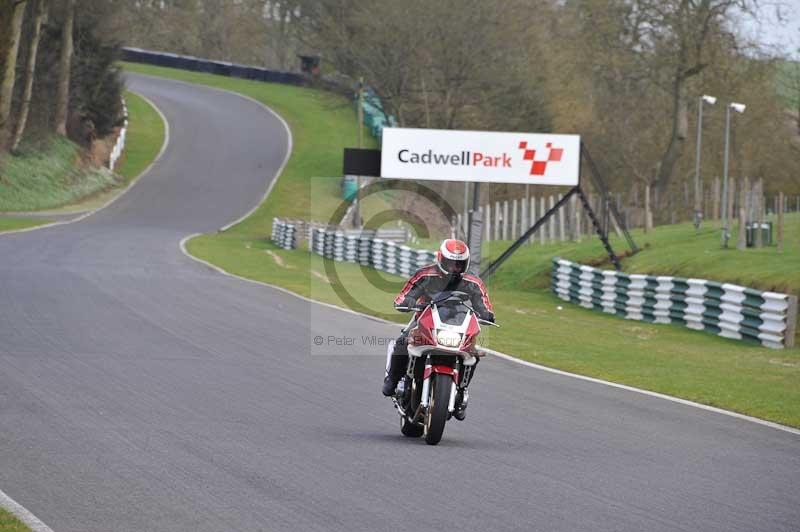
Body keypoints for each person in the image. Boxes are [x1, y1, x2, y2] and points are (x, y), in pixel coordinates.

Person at [382, 238, 495, 419]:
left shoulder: (473, 282)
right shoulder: (425, 275)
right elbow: (405, 294)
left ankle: (461, 393)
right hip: (425, 316)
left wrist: (487, 314)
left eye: (459, 264)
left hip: (456, 322)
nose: (455, 268)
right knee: (403, 341)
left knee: (473, 353)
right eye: (451, 263)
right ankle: (393, 380)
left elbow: (483, 303)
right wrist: (406, 302)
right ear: (441, 259)